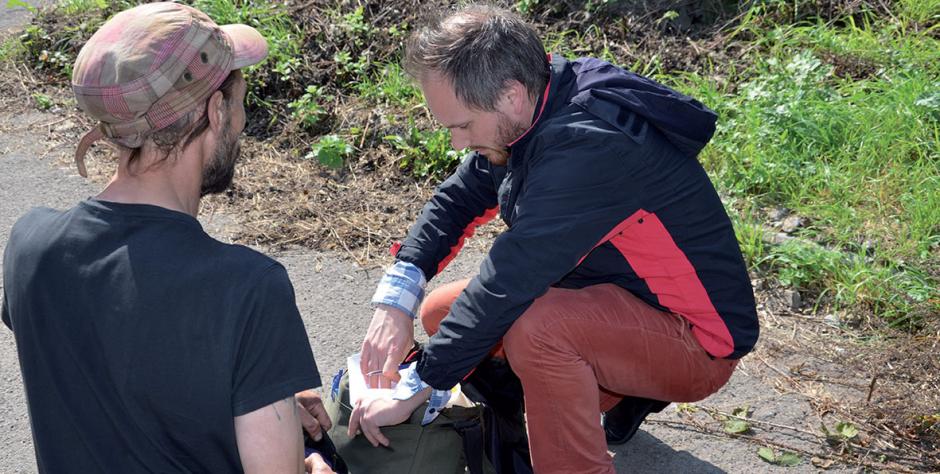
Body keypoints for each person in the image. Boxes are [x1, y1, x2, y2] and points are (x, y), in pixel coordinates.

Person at [353, 4, 760, 473]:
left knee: (537, 330)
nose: (457, 144)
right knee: (439, 313)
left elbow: (507, 282)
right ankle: (609, 393)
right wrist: (394, 303)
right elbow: (458, 200)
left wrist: (418, 386)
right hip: (621, 295)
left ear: (510, 95)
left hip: (698, 341)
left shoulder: (588, 148)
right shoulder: (537, 103)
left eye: (462, 126)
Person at [1, 3, 333, 472]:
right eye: (239, 102)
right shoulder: (249, 288)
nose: (240, 122)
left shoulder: (29, 245)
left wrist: (253, 385)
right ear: (217, 111)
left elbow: (109, 366)